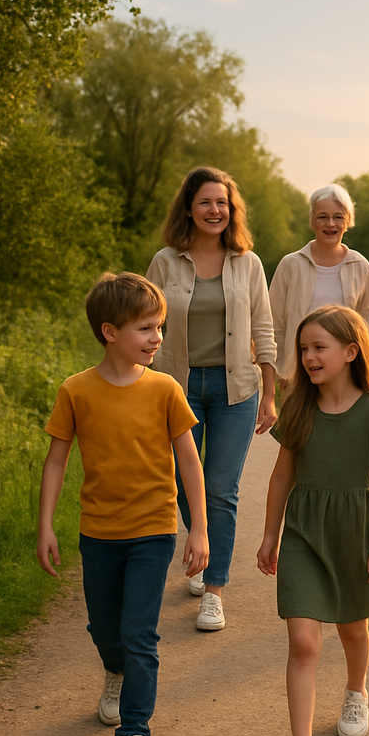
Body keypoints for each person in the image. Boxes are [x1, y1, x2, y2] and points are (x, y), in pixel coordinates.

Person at [37, 272, 208, 736]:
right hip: (99, 533)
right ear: (110, 332)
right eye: (145, 328)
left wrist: (198, 529)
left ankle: (134, 734)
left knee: (139, 634)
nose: (157, 337)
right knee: (105, 630)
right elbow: (55, 463)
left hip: (153, 531)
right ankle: (115, 670)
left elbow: (191, 464)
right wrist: (45, 526)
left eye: (159, 326)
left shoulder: (165, 390)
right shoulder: (76, 391)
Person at [257, 305, 369, 736]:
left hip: (353, 534)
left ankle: (356, 691)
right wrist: (270, 535)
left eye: (318, 347)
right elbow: (282, 477)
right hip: (303, 533)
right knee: (303, 641)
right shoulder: (299, 407)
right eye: (303, 349)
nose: (308, 357)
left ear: (350, 351)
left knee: (351, 629)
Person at [147, 166, 277, 631]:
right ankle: (202, 547)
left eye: (222, 203)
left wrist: (269, 392)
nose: (215, 210)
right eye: (205, 202)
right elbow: (146, 326)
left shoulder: (249, 263)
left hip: (236, 389)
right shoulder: (165, 261)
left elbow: (263, 328)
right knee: (186, 484)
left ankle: (214, 588)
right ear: (189, 208)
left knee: (221, 488)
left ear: (232, 210)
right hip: (177, 388)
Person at [268, 183, 369, 388]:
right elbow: (274, 322)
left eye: (338, 217)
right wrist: (282, 367)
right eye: (323, 217)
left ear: (348, 221)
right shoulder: (290, 264)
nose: (330, 224)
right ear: (312, 221)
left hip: (347, 377)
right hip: (298, 375)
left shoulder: (360, 266)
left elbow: (368, 323)